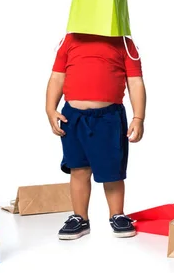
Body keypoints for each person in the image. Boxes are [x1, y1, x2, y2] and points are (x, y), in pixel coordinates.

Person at [45, 33, 146, 240]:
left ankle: (117, 214)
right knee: (78, 169)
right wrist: (50, 108)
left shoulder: (125, 44)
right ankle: (80, 218)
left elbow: (135, 82)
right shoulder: (70, 40)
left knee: (113, 172)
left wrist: (138, 117)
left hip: (108, 118)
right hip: (73, 117)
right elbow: (57, 76)